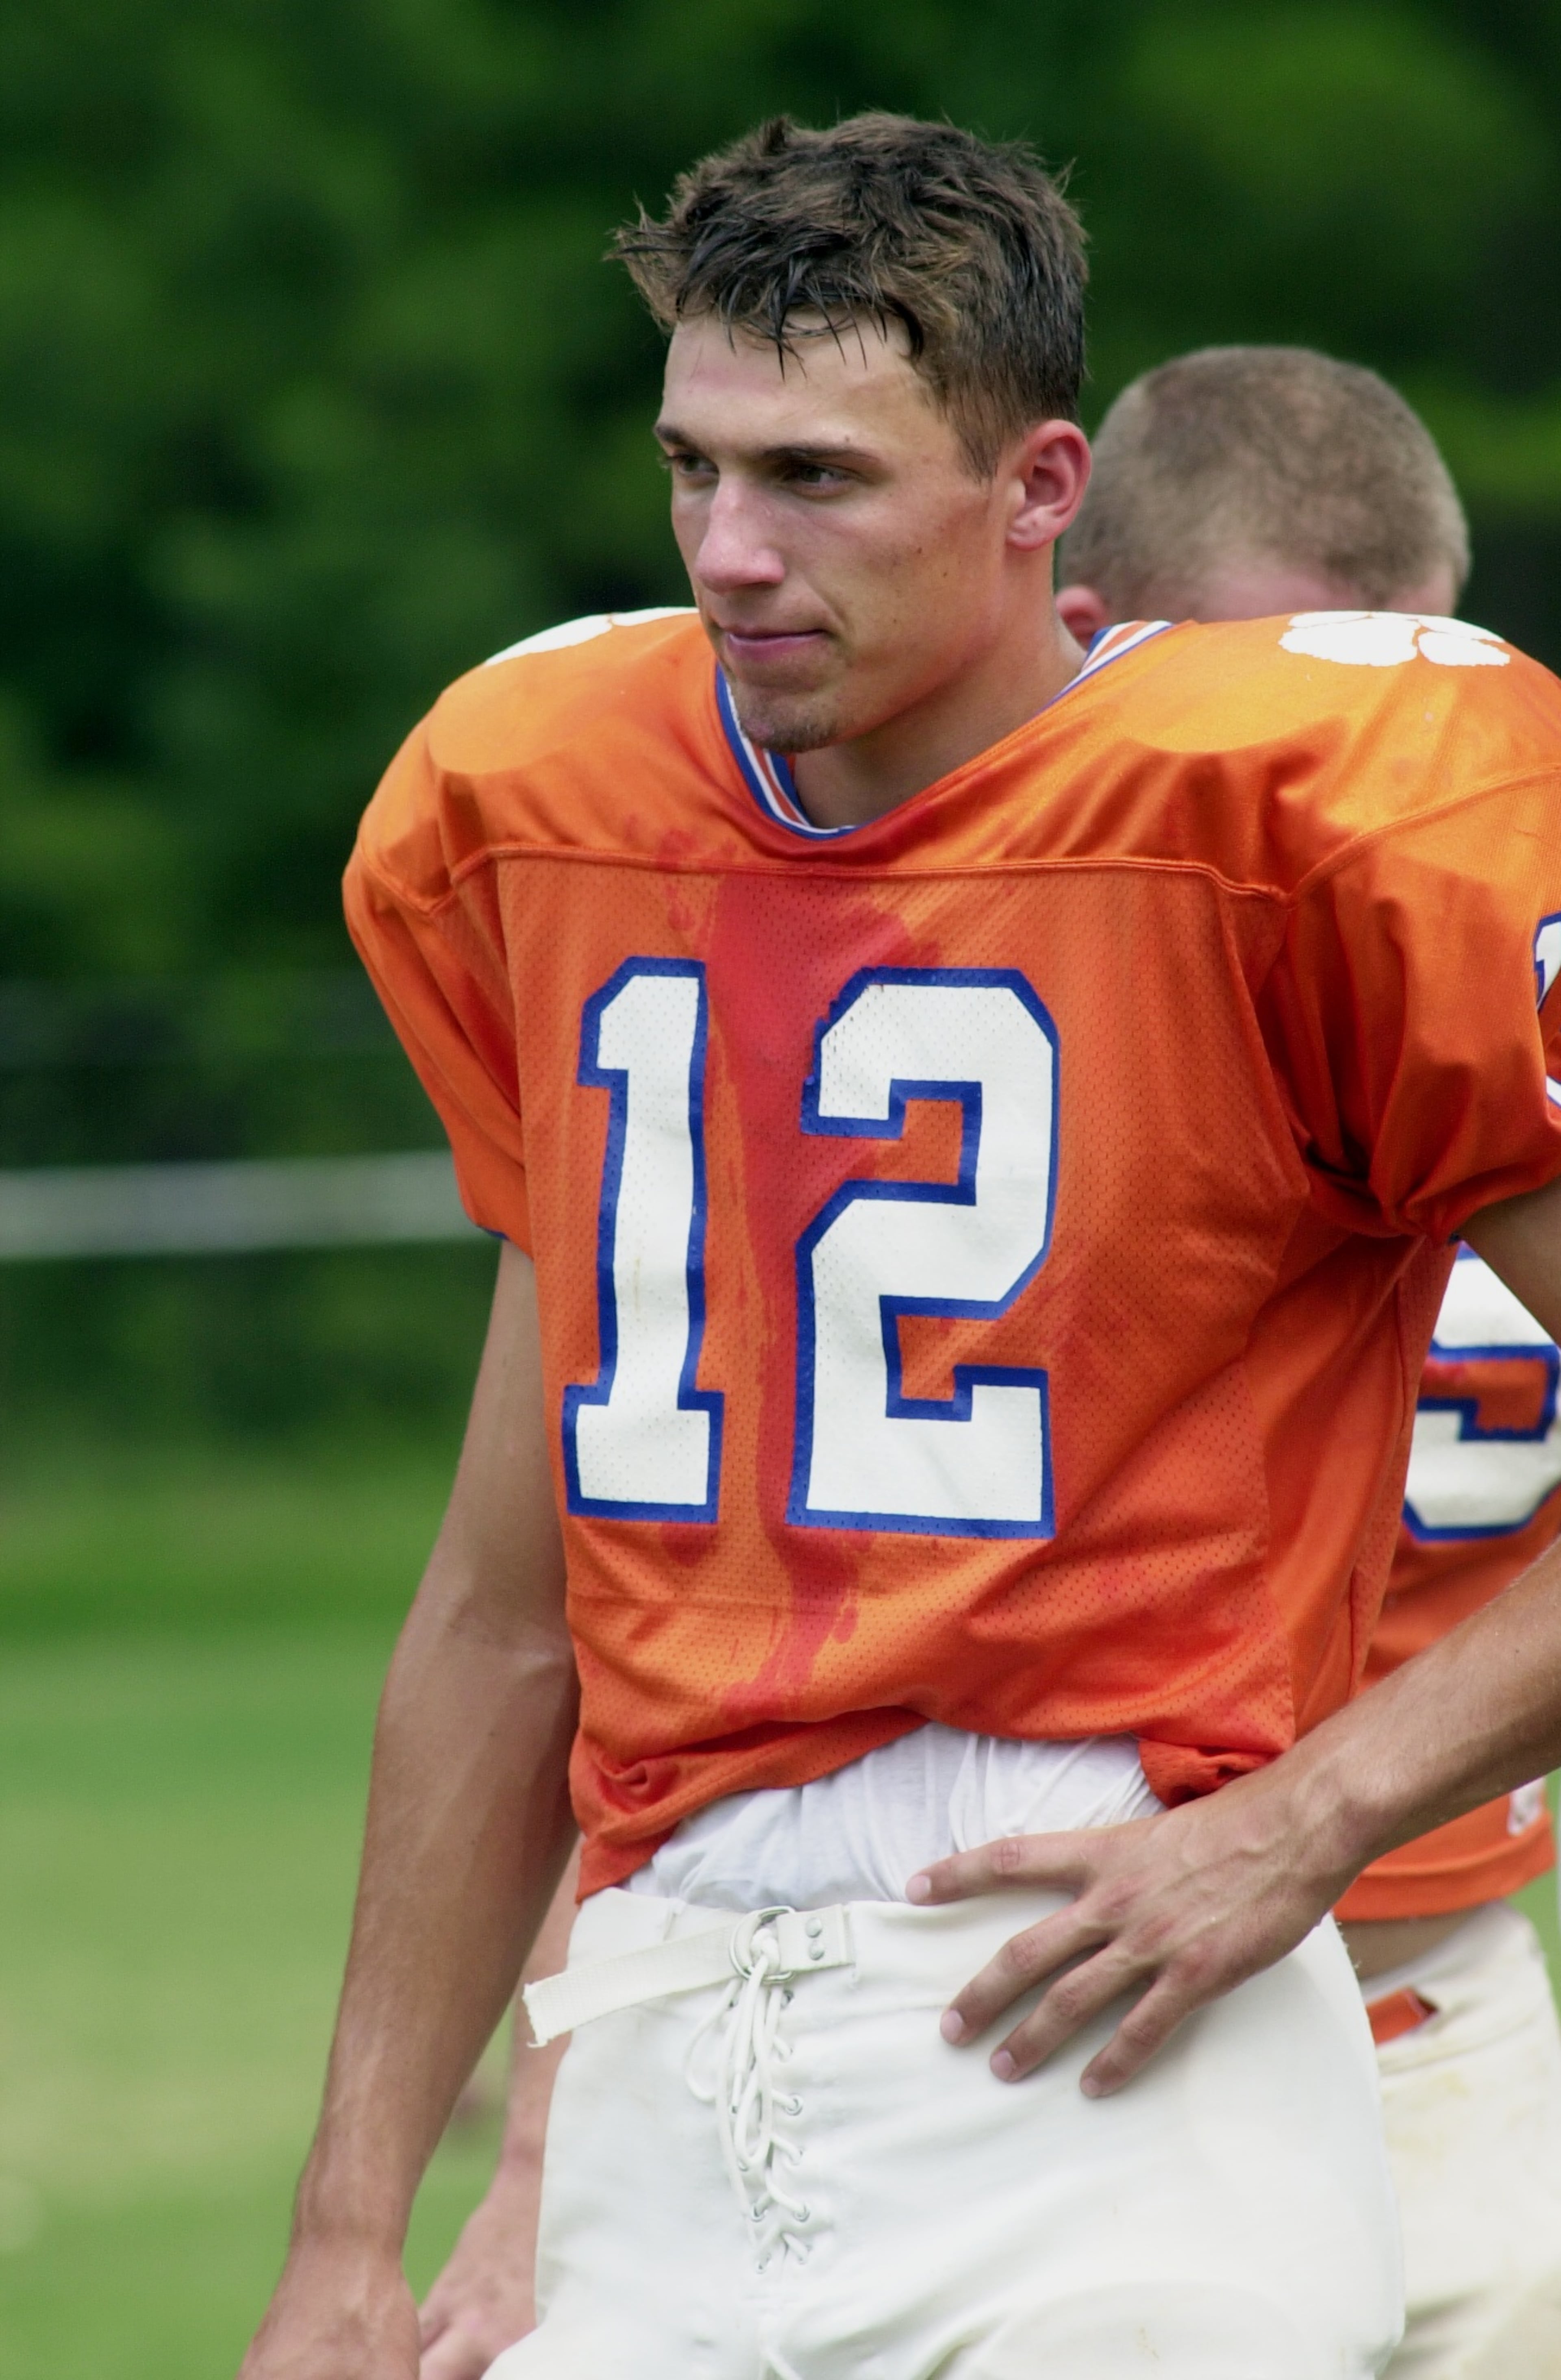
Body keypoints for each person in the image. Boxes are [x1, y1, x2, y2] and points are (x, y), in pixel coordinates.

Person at [238, 115, 1561, 2380]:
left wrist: (1311, 1818)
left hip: (1118, 2052)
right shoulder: (556, 804)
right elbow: (496, 1618)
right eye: (694, 471)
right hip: (669, 2061)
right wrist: (351, 2236)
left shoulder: (1294, 828)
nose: (732, 553)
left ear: (1044, 493)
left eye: (819, 482)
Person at [1054, 345, 1561, 2380]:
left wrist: (1320, 1807)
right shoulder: (988, 958)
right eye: (1270, 714)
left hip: (1429, 1983)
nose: (1338, 785)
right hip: (1036, 2016)